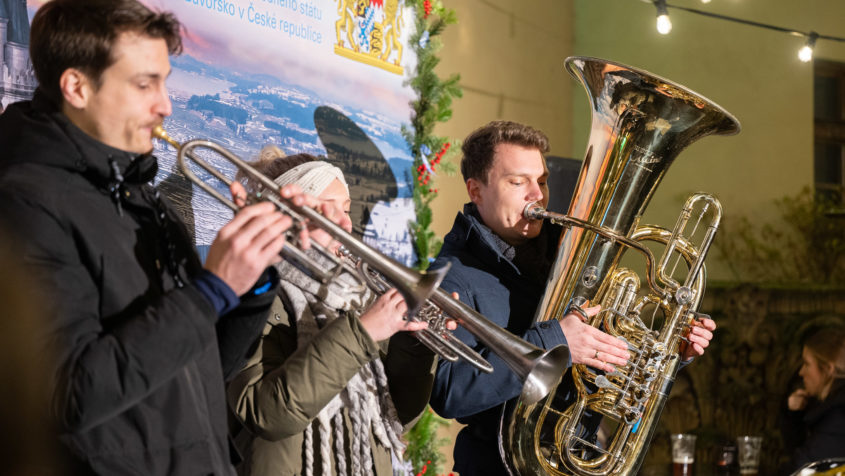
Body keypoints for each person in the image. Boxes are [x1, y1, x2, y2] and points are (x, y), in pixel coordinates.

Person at [0, 1, 311, 474]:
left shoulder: (142, 198)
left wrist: (253, 272)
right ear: (77, 87)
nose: (165, 105)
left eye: (164, 82)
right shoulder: (25, 204)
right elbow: (66, 395)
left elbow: (202, 364)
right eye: (145, 84)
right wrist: (212, 290)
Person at [428, 120, 716, 475]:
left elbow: (605, 347)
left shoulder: (572, 251)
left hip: (581, 459)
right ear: (476, 190)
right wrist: (554, 343)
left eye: (542, 181)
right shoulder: (451, 276)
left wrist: (670, 351)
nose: (537, 195)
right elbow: (448, 391)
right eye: (518, 182)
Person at [227, 151, 443, 476]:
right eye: (327, 210)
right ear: (285, 215)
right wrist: (362, 333)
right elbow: (267, 413)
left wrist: (415, 342)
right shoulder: (253, 292)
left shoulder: (355, 296)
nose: (346, 223)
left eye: (345, 209)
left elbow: (396, 416)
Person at [781, 326, 845, 473]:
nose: (801, 372)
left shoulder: (839, 415)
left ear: (828, 369)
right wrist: (793, 416)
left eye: (807, 364)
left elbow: (800, 469)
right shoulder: (828, 408)